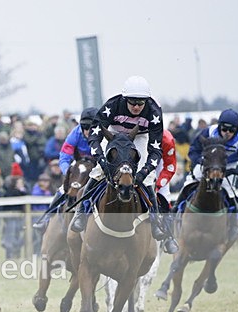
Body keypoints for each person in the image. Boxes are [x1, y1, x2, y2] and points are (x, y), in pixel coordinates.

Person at [70, 75, 179, 254]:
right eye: (132, 102)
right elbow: (94, 137)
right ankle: (82, 212)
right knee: (97, 172)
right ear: (124, 99)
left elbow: (156, 149)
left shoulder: (154, 112)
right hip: (113, 134)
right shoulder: (111, 106)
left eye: (141, 103)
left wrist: (144, 172)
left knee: (149, 179)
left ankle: (156, 223)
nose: (136, 106)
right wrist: (103, 162)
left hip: (140, 138)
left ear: (147, 101)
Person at [175, 108, 238, 241]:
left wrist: (232, 172)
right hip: (206, 165)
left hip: (228, 168)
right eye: (224, 129)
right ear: (219, 126)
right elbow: (193, 151)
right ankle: (173, 212)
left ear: (237, 130)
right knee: (188, 185)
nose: (227, 133)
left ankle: (233, 224)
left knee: (229, 192)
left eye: (231, 130)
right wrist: (202, 162)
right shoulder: (208, 132)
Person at [32, 107, 97, 232]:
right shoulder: (75, 134)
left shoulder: (103, 134)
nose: (87, 132)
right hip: (79, 165)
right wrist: (68, 172)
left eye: (91, 128)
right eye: (85, 128)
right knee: (63, 189)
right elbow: (64, 157)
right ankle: (46, 219)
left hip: (98, 166)